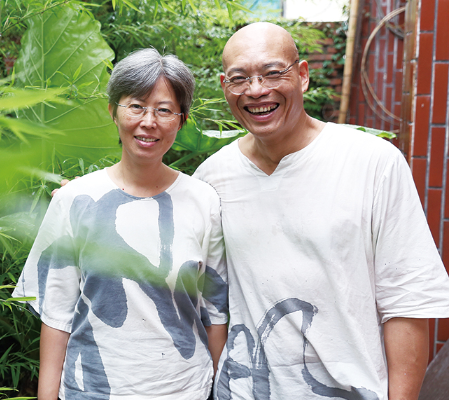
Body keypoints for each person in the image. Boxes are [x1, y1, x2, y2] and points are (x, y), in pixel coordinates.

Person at [192, 22, 449, 400]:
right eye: (240, 78)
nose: (257, 90)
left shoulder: (372, 162)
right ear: (224, 85)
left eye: (273, 72)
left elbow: (407, 300)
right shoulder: (212, 178)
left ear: (303, 75)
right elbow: (202, 300)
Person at [12, 48, 229, 400]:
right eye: (136, 106)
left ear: (181, 119)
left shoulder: (204, 202)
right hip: (92, 388)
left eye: (164, 110)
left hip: (185, 389)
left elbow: (214, 314)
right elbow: (57, 315)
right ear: (113, 111)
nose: (149, 121)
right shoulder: (74, 200)